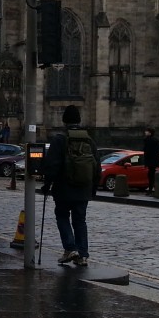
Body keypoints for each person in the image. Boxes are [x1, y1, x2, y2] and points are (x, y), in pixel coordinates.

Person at [40, 105, 99, 267]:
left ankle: (70, 248)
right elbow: (97, 167)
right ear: (79, 120)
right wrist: (93, 188)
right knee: (80, 220)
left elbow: (52, 165)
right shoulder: (89, 140)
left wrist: (47, 184)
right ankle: (83, 255)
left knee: (62, 216)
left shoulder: (60, 139)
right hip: (83, 189)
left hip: (64, 188)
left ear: (64, 120)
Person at [143, 127, 159, 193]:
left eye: (146, 131)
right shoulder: (156, 140)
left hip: (151, 160)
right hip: (153, 160)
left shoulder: (149, 140)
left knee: (151, 175)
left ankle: (151, 189)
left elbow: (146, 151)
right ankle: (152, 188)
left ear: (150, 132)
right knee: (151, 174)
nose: (145, 132)